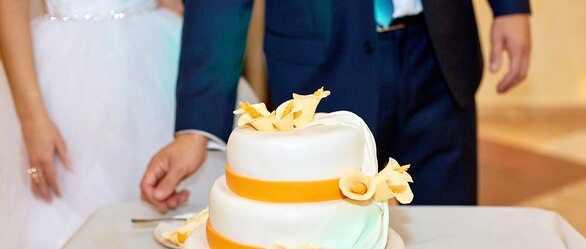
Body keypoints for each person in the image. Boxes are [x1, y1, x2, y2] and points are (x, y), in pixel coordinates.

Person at [140, 0, 531, 211]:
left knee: (450, 235)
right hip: (321, 70)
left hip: (440, 54)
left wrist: (509, 6)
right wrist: (196, 128)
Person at [0, 0, 259, 249]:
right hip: (68, 76)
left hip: (156, 50)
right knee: (64, 235)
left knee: (177, 234)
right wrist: (31, 117)